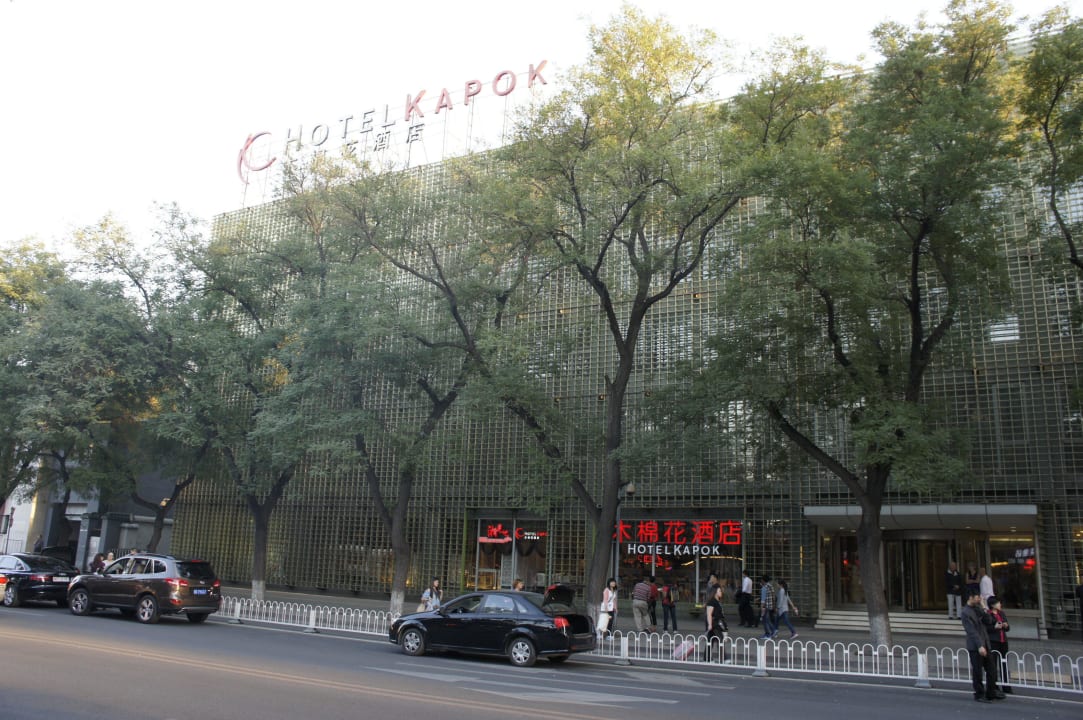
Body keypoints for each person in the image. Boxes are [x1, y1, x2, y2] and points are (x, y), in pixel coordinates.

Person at [961, 588, 1004, 702]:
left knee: (991, 669)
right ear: (971, 597)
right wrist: (980, 645)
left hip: (986, 642)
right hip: (975, 646)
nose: (979, 599)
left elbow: (989, 620)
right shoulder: (965, 612)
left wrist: (984, 607)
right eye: (977, 597)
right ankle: (979, 694)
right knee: (977, 671)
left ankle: (991, 692)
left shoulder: (978, 608)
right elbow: (971, 631)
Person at [984, 595, 1012, 694]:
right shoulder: (988, 614)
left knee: (1004, 663)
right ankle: (994, 686)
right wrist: (995, 627)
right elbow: (986, 629)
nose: (1000, 604)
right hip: (993, 641)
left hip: (1003, 641)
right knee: (993, 664)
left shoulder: (1001, 613)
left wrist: (1005, 625)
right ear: (992, 605)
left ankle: (1006, 685)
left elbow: (1007, 628)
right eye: (998, 603)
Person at [704, 583, 729, 662]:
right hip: (715, 624)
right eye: (719, 591)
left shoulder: (717, 601)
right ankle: (724, 659)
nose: (721, 592)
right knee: (720, 639)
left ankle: (707, 658)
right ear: (715, 592)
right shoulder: (712, 601)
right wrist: (710, 624)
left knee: (710, 641)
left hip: (716, 623)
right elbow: (709, 614)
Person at [759, 575, 777, 639]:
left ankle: (768, 634)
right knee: (767, 620)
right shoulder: (770, 586)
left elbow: (763, 600)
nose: (761, 581)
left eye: (761, 580)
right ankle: (773, 631)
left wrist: (761, 609)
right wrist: (774, 606)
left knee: (765, 621)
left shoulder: (764, 588)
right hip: (770, 606)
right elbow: (774, 597)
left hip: (765, 606)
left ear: (763, 580)